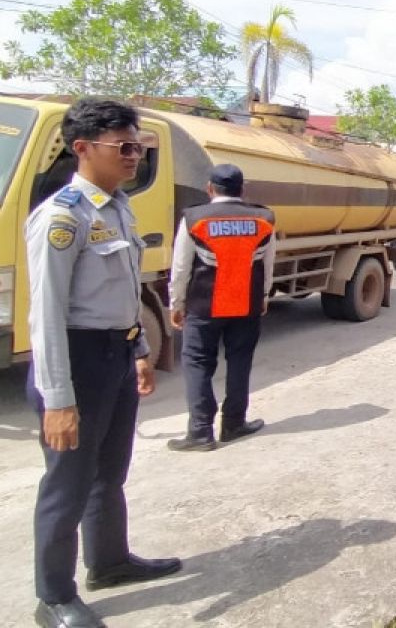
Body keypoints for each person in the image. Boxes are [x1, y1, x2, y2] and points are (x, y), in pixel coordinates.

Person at [25, 98, 181, 628]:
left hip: (114, 355)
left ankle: (110, 562)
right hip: (76, 362)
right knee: (66, 484)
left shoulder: (117, 207)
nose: (135, 155)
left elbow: (122, 292)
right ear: (83, 148)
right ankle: (52, 597)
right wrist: (57, 399)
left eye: (139, 145)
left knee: (109, 473)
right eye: (125, 146)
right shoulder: (62, 217)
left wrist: (138, 350)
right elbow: (45, 316)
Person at [166, 163, 276, 451]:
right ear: (243, 189)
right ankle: (234, 423)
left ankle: (201, 431)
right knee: (240, 361)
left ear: (210, 189)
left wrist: (176, 303)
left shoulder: (194, 218)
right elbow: (267, 263)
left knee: (198, 363)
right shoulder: (263, 218)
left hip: (204, 304)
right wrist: (263, 296)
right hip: (246, 303)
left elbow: (181, 267)